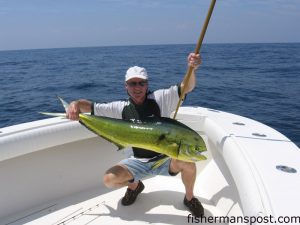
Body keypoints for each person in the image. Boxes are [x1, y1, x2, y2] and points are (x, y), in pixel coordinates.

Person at [66, 53, 204, 217]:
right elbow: (89, 106)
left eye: (141, 83)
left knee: (189, 162)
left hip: (165, 160)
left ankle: (189, 198)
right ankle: (135, 186)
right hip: (137, 162)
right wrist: (74, 105)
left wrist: (192, 69)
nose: (137, 87)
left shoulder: (161, 98)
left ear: (147, 85)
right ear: (126, 86)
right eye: (132, 83)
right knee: (109, 180)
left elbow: (186, 87)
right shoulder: (119, 108)